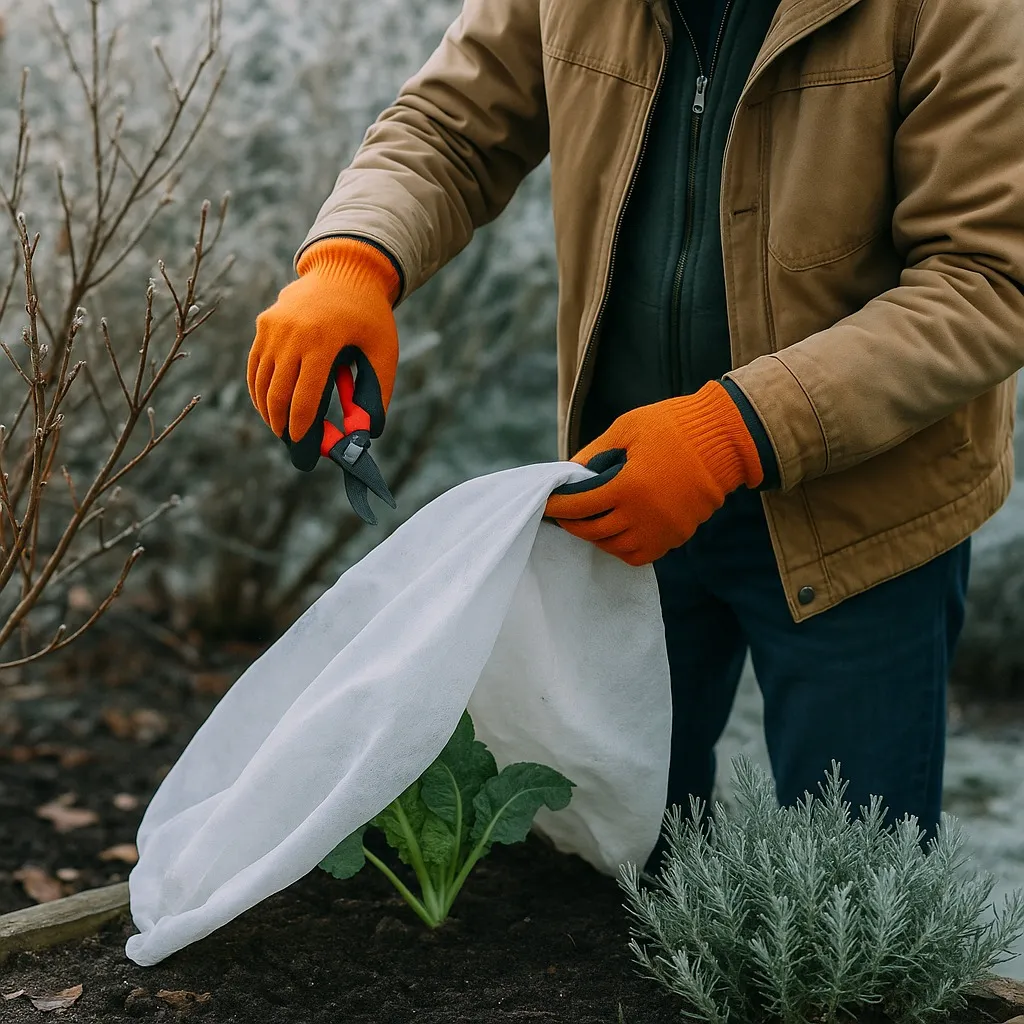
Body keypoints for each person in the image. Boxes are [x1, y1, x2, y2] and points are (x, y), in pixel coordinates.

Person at [247, 0, 1024, 870]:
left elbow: (987, 277)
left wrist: (732, 431)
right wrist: (353, 262)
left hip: (863, 519)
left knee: (853, 901)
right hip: (629, 494)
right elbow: (450, 126)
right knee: (614, 863)